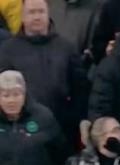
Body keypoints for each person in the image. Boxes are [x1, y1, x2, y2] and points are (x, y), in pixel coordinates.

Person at [0, 0, 88, 143]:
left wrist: (77, 118)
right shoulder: (7, 50)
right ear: (22, 17)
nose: (37, 17)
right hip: (23, 131)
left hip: (63, 127)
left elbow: (80, 88)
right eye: (31, 12)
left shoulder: (66, 47)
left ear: (48, 14)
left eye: (41, 11)